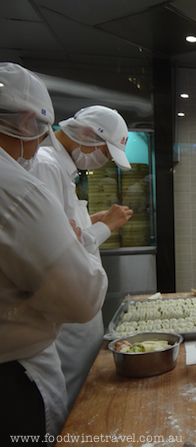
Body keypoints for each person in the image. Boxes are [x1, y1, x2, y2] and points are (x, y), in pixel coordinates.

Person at [0, 62, 108, 443]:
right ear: (28, 123)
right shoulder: (22, 182)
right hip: (17, 370)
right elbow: (82, 296)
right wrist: (86, 240)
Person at [27, 105, 133, 412]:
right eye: (104, 152)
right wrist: (105, 226)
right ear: (86, 134)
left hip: (77, 307)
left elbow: (66, 231)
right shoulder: (47, 164)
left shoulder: (62, 167)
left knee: (84, 390)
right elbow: (56, 249)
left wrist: (91, 222)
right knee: (76, 396)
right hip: (65, 311)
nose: (103, 161)